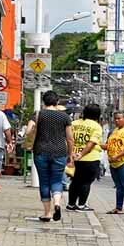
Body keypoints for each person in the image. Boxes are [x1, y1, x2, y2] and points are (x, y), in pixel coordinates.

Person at [30, 91, 74, 222]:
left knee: (44, 181)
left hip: (41, 151)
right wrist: (70, 154)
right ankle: (57, 203)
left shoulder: (38, 114)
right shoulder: (64, 117)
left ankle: (47, 213)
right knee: (56, 180)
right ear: (57, 101)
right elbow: (70, 138)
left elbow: (28, 131)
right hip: (60, 151)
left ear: (44, 101)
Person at [67, 104, 104, 211]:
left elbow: (68, 139)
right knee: (86, 182)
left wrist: (72, 153)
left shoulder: (73, 123)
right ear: (97, 115)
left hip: (73, 158)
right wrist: (82, 154)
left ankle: (71, 204)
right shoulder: (96, 126)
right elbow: (91, 143)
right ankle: (81, 205)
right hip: (90, 158)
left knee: (75, 181)